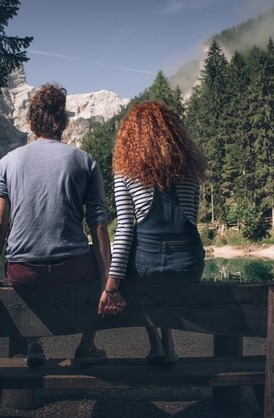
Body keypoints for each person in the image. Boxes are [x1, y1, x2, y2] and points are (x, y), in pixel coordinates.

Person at [0, 84, 111, 367]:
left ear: (30, 123)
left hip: (23, 273)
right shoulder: (85, 161)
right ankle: (87, 345)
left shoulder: (6, 163)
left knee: (18, 265)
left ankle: (33, 343)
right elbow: (99, 225)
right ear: (63, 123)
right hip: (73, 269)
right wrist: (106, 281)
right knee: (92, 260)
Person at [98, 101, 207, 364]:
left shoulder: (126, 172)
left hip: (146, 269)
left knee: (134, 273)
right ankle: (168, 345)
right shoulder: (190, 169)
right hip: (189, 267)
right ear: (173, 133)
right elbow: (191, 219)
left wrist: (111, 284)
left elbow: (124, 229)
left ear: (131, 136)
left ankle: (156, 344)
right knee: (164, 274)